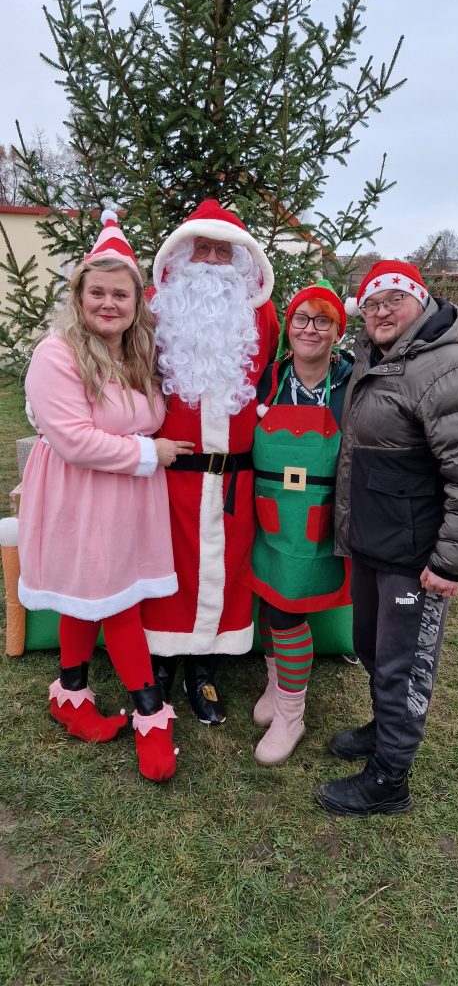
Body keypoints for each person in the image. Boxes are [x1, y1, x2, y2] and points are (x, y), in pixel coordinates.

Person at [18, 211, 194, 782]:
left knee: (87, 595)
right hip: (81, 495)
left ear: (137, 302)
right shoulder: (57, 354)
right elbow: (73, 439)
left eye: (121, 294)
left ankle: (70, 695)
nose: (109, 303)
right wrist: (151, 453)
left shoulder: (136, 355)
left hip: (127, 500)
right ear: (80, 295)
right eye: (98, 292)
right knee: (114, 600)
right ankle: (150, 714)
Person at [315, 260, 458, 816]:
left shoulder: (447, 368)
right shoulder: (377, 356)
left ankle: (390, 778)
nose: (382, 312)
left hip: (415, 552)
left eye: (394, 300)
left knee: (402, 665)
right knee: (371, 646)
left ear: (420, 300)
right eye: (372, 303)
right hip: (376, 540)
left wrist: (450, 562)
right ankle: (384, 728)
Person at [141, 199, 279, 724]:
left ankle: (203, 668)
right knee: (164, 565)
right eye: (204, 249)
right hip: (168, 473)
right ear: (184, 253)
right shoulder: (156, 306)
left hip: (233, 478)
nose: (214, 260)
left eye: (224, 251)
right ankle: (158, 662)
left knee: (226, 568)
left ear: (241, 259)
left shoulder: (261, 313)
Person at [246, 280, 353, 765]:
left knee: (289, 609)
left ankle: (292, 713)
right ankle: (276, 685)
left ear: (337, 331)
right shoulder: (268, 380)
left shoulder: (352, 384)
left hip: (317, 521)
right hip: (269, 515)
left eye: (322, 320)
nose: (310, 329)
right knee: (271, 602)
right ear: (288, 327)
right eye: (301, 319)